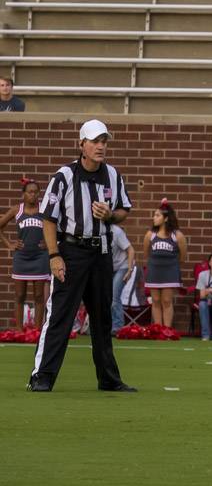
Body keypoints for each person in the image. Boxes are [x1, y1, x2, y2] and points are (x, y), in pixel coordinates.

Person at [27, 119, 135, 392]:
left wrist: (110, 215)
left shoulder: (112, 174)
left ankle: (108, 378)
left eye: (104, 141)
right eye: (95, 141)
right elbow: (49, 219)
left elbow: (124, 209)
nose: (101, 146)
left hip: (101, 250)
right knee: (60, 315)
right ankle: (42, 376)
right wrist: (54, 255)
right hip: (72, 250)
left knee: (102, 317)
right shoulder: (63, 176)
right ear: (82, 145)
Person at [0, 177, 51, 328]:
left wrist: (48, 244)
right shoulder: (17, 210)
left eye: (36, 192)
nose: (33, 195)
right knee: (19, 296)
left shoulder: (44, 209)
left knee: (39, 296)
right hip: (21, 257)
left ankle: (37, 331)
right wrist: (9, 243)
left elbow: (58, 227)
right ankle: (19, 331)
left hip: (40, 258)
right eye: (30, 192)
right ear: (24, 194)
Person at [144, 199, 186, 328]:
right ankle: (158, 329)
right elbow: (147, 253)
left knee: (167, 301)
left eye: (157, 215)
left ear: (166, 218)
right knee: (155, 301)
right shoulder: (150, 234)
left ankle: (167, 330)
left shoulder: (177, 235)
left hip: (170, 271)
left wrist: (171, 265)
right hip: (154, 271)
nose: (154, 218)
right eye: (154, 215)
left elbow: (182, 256)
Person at [109, 223, 135, 332]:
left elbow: (130, 250)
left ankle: (118, 327)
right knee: (105, 297)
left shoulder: (116, 231)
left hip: (122, 266)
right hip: (108, 268)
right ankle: (106, 326)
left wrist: (129, 270)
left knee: (114, 296)